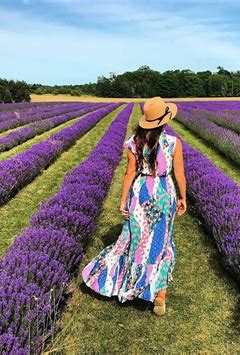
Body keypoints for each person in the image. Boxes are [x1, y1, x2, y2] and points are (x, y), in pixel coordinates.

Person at [82, 96, 187, 316]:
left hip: (140, 194)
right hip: (163, 193)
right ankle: (160, 293)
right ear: (165, 121)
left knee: (136, 239)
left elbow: (130, 173)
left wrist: (123, 201)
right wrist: (182, 197)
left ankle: (131, 283)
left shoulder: (133, 143)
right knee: (162, 240)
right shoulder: (174, 143)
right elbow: (179, 174)